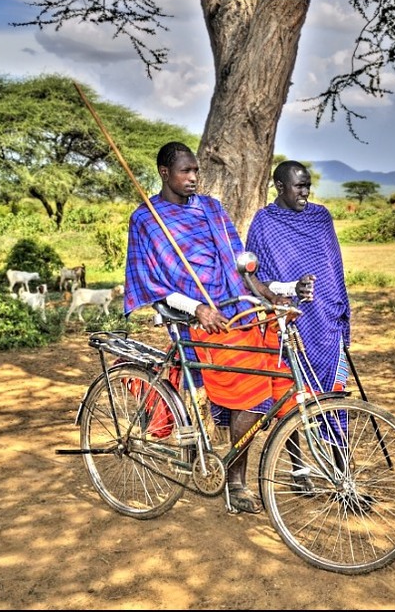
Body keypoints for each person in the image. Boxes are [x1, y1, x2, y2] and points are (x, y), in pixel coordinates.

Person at [123, 141, 302, 515]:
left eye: (196, 171)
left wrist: (269, 296)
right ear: (164, 173)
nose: (193, 178)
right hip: (192, 318)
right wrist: (197, 307)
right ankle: (235, 483)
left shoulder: (211, 209)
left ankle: (272, 466)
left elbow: (241, 264)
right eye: (185, 171)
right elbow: (154, 283)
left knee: (278, 371)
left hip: (235, 309)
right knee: (250, 391)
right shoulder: (147, 219)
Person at [245, 160, 352, 407]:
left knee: (334, 396)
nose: (305, 192)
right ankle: (289, 446)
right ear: (280, 186)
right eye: (299, 186)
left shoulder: (320, 217)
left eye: (308, 186)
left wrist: (340, 310)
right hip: (289, 322)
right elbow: (253, 276)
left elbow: (334, 268)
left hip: (326, 320)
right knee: (290, 398)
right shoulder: (264, 222)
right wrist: (288, 288)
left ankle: (337, 446)